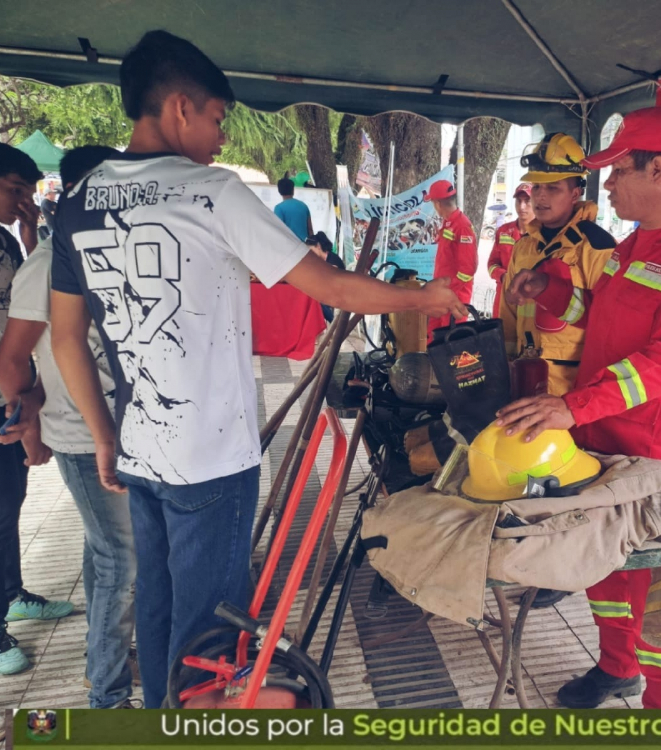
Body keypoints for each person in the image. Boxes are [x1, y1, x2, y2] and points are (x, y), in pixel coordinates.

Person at [49, 29, 465, 708]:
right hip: (210, 454)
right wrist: (426, 296)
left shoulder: (79, 200)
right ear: (180, 107)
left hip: (138, 447)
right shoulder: (211, 192)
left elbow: (68, 338)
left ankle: (158, 716)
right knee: (210, 631)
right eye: (216, 119)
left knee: (156, 605)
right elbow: (329, 288)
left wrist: (102, 435)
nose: (219, 137)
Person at [498, 107, 661, 710]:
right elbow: (599, 321)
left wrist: (572, 407)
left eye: (617, 172)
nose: (605, 187)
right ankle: (617, 666)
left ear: (657, 169)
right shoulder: (634, 245)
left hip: (658, 449)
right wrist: (553, 290)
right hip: (601, 435)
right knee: (607, 565)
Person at [0, 145, 138, 708]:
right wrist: (30, 427)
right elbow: (10, 360)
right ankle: (108, 696)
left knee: (108, 556)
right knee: (122, 561)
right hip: (81, 436)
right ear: (78, 194)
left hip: (129, 433)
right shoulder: (47, 264)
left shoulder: (118, 250)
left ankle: (104, 658)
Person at [0, 142, 74, 676]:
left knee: (13, 497)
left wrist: (30, 238)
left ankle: (11, 593)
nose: (23, 200)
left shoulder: (2, 236)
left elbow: (25, 295)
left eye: (29, 191)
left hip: (8, 383)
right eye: (14, 189)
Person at [500, 134, 614, 396]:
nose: (540, 196)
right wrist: (503, 361)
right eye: (537, 187)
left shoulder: (596, 247)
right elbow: (508, 312)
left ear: (575, 193)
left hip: (570, 388)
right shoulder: (525, 246)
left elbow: (609, 324)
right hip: (523, 377)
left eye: (553, 188)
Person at [423, 179, 476, 341]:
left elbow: (467, 269)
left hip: (454, 299)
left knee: (451, 345)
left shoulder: (462, 226)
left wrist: (449, 291)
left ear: (437, 203)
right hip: (442, 295)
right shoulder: (448, 223)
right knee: (433, 339)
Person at [486, 183, 533, 318]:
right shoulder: (504, 231)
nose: (522, 206)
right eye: (519, 201)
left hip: (529, 298)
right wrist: (504, 277)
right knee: (501, 334)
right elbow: (491, 264)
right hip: (503, 293)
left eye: (527, 201)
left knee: (526, 334)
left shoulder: (541, 233)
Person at [307, 231, 344, 322]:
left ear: (318, 246)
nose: (311, 254)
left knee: (315, 301)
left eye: (311, 251)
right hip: (329, 292)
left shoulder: (332, 260)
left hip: (338, 293)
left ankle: (334, 323)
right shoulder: (322, 260)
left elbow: (329, 282)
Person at [274, 176, 314, 242]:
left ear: (279, 191)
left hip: (289, 247)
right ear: (293, 190)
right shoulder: (303, 206)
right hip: (305, 246)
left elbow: (279, 230)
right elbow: (310, 229)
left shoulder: (279, 208)